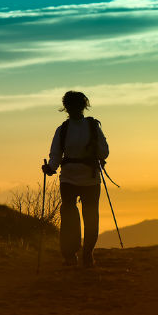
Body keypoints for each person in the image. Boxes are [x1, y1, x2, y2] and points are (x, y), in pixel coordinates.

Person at [42, 91, 109, 267]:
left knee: (69, 217)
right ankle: (88, 254)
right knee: (91, 216)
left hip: (68, 179)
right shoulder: (93, 127)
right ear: (84, 105)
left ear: (66, 107)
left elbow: (55, 155)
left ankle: (70, 256)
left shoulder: (62, 129)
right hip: (91, 178)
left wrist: (50, 168)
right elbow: (104, 152)